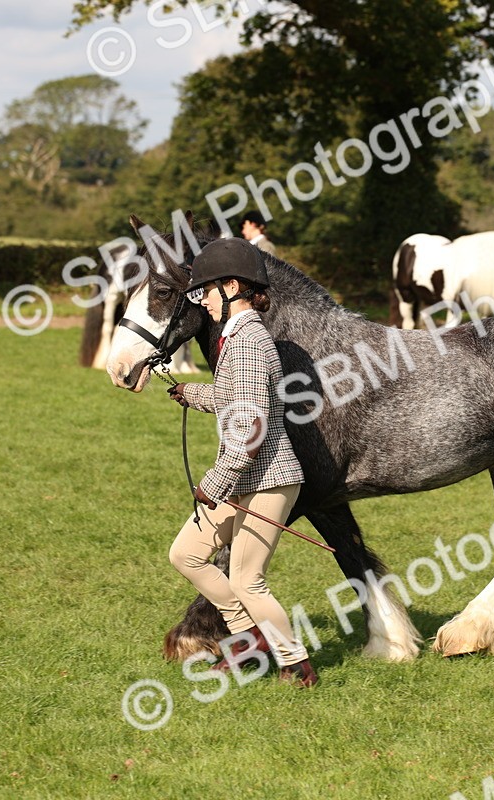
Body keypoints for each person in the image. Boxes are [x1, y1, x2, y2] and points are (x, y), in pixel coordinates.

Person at [165, 238, 315, 687]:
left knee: (248, 579)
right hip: (244, 477)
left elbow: (249, 429)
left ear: (231, 286)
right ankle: (250, 636)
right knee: (186, 554)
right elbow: (239, 399)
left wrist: (216, 480)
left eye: (204, 291)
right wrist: (191, 393)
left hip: (266, 480)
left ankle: (296, 664)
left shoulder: (247, 341)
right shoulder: (238, 338)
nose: (202, 301)